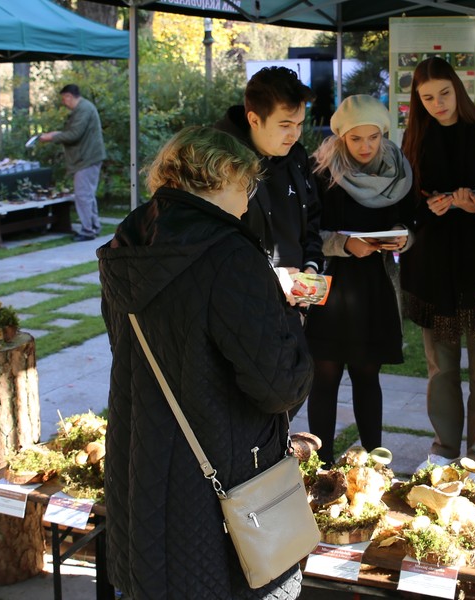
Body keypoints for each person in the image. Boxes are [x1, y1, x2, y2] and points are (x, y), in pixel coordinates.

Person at [97, 126, 314, 598]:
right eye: (248, 184)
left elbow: (131, 347)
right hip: (221, 484)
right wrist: (286, 317)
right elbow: (279, 385)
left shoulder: (127, 243)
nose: (249, 198)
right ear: (222, 175)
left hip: (142, 468)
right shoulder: (231, 255)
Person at [399, 57, 475, 469]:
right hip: (432, 269)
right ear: (417, 100)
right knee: (440, 369)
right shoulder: (414, 140)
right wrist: (430, 209)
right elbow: (404, 207)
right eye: (427, 97)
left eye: (444, 93)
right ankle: (444, 449)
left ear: (458, 89)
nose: (437, 103)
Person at [304, 95, 415, 465]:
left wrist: (404, 236)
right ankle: (322, 467)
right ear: (340, 138)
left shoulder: (397, 170)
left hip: (375, 287)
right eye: (356, 139)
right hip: (332, 287)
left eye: (373, 137)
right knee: (326, 375)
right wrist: (345, 244)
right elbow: (305, 234)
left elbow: (411, 220)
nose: (366, 147)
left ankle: (375, 462)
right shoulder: (320, 173)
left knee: (368, 375)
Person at [215, 67, 324, 353]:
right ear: (254, 119)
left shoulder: (297, 155)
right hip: (241, 314)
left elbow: (311, 219)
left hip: (293, 310)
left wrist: (312, 267)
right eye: (286, 124)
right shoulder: (219, 161)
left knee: (292, 393)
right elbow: (212, 245)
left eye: (300, 124)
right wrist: (269, 278)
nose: (295, 134)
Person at [40, 83, 106, 242]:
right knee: (88, 194)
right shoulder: (84, 108)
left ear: (69, 96)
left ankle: (87, 230)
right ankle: (94, 225)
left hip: (86, 158)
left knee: (83, 195)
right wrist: (58, 133)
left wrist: (52, 137)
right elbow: (74, 132)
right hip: (88, 157)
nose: (64, 102)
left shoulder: (83, 109)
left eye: (64, 98)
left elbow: (74, 134)